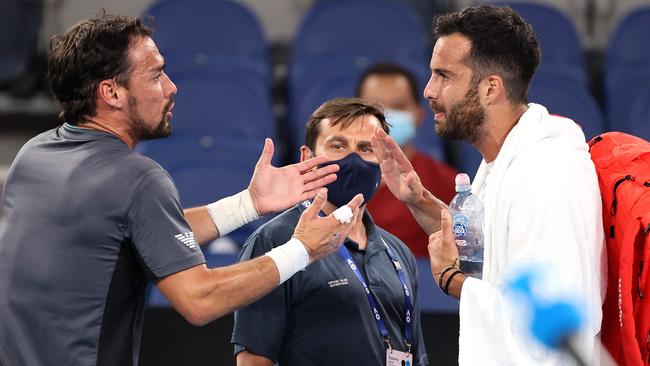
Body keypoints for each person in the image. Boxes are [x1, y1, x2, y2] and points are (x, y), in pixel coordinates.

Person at [0, 14, 364, 366]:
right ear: (111, 92)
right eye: (156, 74)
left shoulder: (33, 156)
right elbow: (199, 299)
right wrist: (302, 250)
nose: (172, 87)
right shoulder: (137, 177)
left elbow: (141, 234)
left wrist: (248, 204)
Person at [371, 5, 605, 365]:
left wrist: (450, 280)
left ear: (490, 87)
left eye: (444, 76)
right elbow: (487, 251)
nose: (429, 90)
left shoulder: (546, 175)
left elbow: (548, 332)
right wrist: (418, 200)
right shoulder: (505, 159)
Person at [231, 98, 428, 366]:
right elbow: (254, 359)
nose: (353, 158)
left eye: (365, 148)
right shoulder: (274, 241)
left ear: (383, 163)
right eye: (338, 145)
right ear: (307, 158)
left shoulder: (397, 251)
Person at [356, 62, 457, 257]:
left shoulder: (446, 182)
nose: (386, 116)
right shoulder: (335, 177)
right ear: (355, 113)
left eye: (399, 106)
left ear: (418, 114)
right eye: (374, 107)